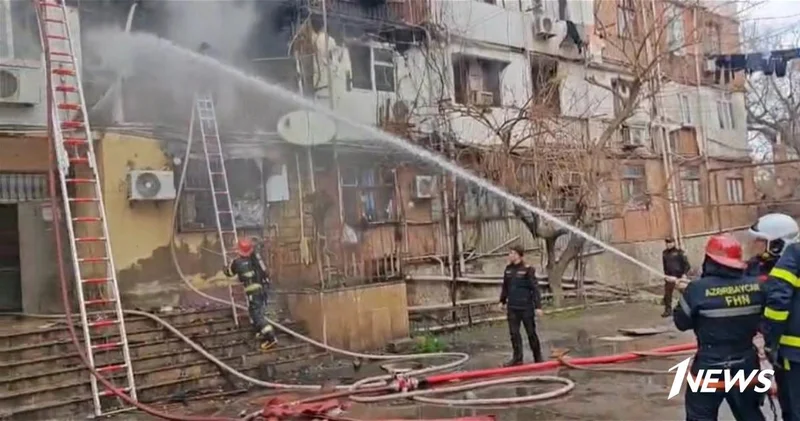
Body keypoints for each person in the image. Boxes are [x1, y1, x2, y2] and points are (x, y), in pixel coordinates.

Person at [673, 234, 766, 421]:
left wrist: (686, 294)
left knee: (700, 417)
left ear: (710, 260)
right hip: (746, 363)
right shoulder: (757, 287)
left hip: (710, 365)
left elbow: (681, 323)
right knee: (750, 414)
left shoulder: (697, 289)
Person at [758, 214, 800, 420]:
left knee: (794, 410)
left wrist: (770, 343)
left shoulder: (795, 254)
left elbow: (778, 305)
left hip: (795, 355)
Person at [223, 238, 277, 351]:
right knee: (257, 311)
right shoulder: (255, 260)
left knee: (256, 315)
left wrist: (226, 267)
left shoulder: (237, 262)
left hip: (252, 292)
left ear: (239, 250)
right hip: (262, 290)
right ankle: (259, 331)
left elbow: (229, 273)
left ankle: (270, 337)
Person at [499, 245, 544, 366]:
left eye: (512, 253)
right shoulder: (508, 269)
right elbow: (505, 287)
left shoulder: (528, 270)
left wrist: (538, 306)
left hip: (526, 307)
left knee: (531, 333)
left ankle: (538, 357)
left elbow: (535, 289)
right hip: (512, 307)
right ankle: (517, 358)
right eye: (510, 253)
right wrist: (502, 301)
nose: (510, 255)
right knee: (514, 334)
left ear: (519, 255)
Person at [663, 237, 691, 317]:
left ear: (674, 243)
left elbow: (687, 265)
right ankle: (668, 310)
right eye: (667, 243)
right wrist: (665, 276)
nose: (669, 244)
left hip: (679, 276)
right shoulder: (664, 253)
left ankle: (689, 308)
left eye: (670, 242)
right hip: (669, 277)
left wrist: (684, 274)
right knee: (667, 295)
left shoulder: (680, 253)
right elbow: (665, 265)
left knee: (685, 293)